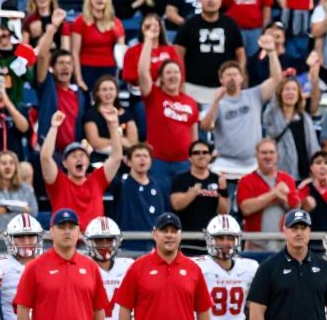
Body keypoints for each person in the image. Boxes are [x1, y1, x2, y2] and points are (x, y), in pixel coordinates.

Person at [200, 36, 282, 177]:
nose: (232, 77)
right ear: (221, 80)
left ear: (242, 78)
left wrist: (271, 52)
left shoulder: (254, 95)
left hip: (252, 164)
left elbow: (276, 79)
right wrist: (216, 102)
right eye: (228, 75)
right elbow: (206, 126)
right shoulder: (217, 102)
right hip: (225, 165)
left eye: (235, 74)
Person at [137, 18, 200, 199]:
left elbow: (193, 135)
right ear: (161, 78)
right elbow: (142, 72)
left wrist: (193, 161)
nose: (173, 75)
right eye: (168, 72)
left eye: (176, 72)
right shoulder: (154, 95)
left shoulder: (190, 102)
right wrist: (148, 39)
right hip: (158, 162)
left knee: (183, 208)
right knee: (160, 207)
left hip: (184, 164)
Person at [41, 111, 124, 228]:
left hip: (94, 242)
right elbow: (45, 158)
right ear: (64, 163)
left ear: (88, 161)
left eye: (82, 156)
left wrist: (113, 126)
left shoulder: (97, 180)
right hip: (67, 240)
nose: (79, 159)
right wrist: (54, 127)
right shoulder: (58, 182)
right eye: (74, 156)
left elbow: (116, 157)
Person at [174, 0, 246, 106]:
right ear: (200, 0)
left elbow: (240, 54)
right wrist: (180, 81)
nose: (211, 0)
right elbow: (177, 54)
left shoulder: (230, 24)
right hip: (193, 86)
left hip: (223, 87)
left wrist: (239, 76)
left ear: (220, 0)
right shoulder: (189, 25)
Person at [238, 139, 302, 249]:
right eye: (264, 152)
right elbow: (245, 209)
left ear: (277, 155)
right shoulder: (246, 180)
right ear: (256, 155)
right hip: (256, 245)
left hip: (284, 244)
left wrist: (283, 198)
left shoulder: (288, 179)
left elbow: (296, 207)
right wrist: (274, 194)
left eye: (271, 152)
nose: (268, 156)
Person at [262, 72, 321, 180]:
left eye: (294, 89)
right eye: (287, 89)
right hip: (278, 175)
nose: (290, 92)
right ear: (280, 93)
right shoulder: (272, 115)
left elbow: (313, 147)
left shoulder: (304, 117)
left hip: (304, 175)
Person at [70, 0, 125, 93]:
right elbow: (74, 52)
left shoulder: (116, 23)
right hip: (86, 68)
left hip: (109, 69)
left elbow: (121, 52)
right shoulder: (80, 21)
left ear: (107, 0)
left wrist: (118, 35)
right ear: (89, 0)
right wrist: (79, 78)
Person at [169, 142, 230, 232]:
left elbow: (224, 212)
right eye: (196, 153)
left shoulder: (217, 179)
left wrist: (223, 190)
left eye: (205, 152)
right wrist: (192, 194)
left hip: (211, 235)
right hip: (186, 236)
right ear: (190, 158)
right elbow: (176, 205)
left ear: (210, 156)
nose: (201, 156)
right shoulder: (180, 179)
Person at [116, 143, 167, 247]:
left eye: (145, 156)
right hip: (128, 244)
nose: (142, 159)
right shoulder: (121, 184)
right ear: (128, 161)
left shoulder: (157, 185)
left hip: (153, 246)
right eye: (138, 156)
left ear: (151, 162)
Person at [83, 76, 139, 165]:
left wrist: (107, 141)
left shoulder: (127, 114)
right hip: (99, 158)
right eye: (104, 89)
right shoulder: (90, 115)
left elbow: (133, 143)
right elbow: (95, 142)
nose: (108, 93)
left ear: (116, 92)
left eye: (111, 89)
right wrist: (120, 141)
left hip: (124, 159)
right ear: (97, 93)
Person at [0, 150, 37, 234]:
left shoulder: (26, 188)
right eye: (3, 163)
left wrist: (6, 209)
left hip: (22, 235)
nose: (8, 166)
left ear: (16, 167)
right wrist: (21, 209)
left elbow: (33, 212)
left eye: (11, 163)